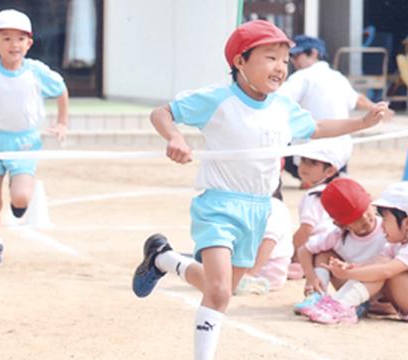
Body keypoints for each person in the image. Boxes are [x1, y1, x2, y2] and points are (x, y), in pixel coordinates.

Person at [130, 20, 389, 359]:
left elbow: (318, 126)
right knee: (220, 292)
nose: (280, 67)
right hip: (218, 205)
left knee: (220, 287)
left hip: (259, 209)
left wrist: (361, 123)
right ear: (240, 61)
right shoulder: (217, 99)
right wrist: (175, 137)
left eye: (284, 59)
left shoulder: (283, 107)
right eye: (270, 57)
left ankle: (163, 259)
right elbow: (162, 113)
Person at [0, 9, 69, 266]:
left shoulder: (36, 71)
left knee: (21, 197)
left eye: (19, 39)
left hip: (25, 143)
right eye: (6, 38)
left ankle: (20, 203)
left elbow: (60, 90)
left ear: (29, 43)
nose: (13, 44)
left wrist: (62, 122)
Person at [307, 181, 408, 324]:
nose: (382, 225)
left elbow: (386, 271)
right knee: (379, 262)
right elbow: (375, 261)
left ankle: (342, 305)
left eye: (385, 219)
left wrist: (348, 274)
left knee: (383, 270)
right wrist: (351, 267)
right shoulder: (401, 241)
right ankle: (338, 303)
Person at [278, 35, 380, 184]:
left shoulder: (302, 77)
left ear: (313, 53)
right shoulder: (338, 77)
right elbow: (357, 99)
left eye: (296, 55)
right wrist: (375, 108)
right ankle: (335, 176)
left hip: (310, 150)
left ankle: (309, 179)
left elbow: (280, 99)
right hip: (340, 152)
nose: (293, 61)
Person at [294, 178, 386, 316]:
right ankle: (317, 296)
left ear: (370, 202)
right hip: (350, 286)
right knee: (324, 255)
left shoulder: (387, 229)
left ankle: (352, 305)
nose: (365, 219)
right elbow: (304, 249)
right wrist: (311, 277)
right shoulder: (337, 236)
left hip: (379, 289)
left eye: (365, 210)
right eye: (355, 218)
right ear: (341, 224)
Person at [288, 138, 351, 279]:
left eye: (313, 163)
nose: (304, 166)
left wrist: (291, 254)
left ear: (329, 171)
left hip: (318, 247)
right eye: (303, 160)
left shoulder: (313, 196)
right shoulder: (336, 190)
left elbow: (306, 229)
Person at [235, 186, 293, 295]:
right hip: (256, 265)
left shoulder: (273, 206)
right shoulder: (252, 203)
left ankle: (251, 282)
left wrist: (249, 274)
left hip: (265, 269)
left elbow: (269, 241)